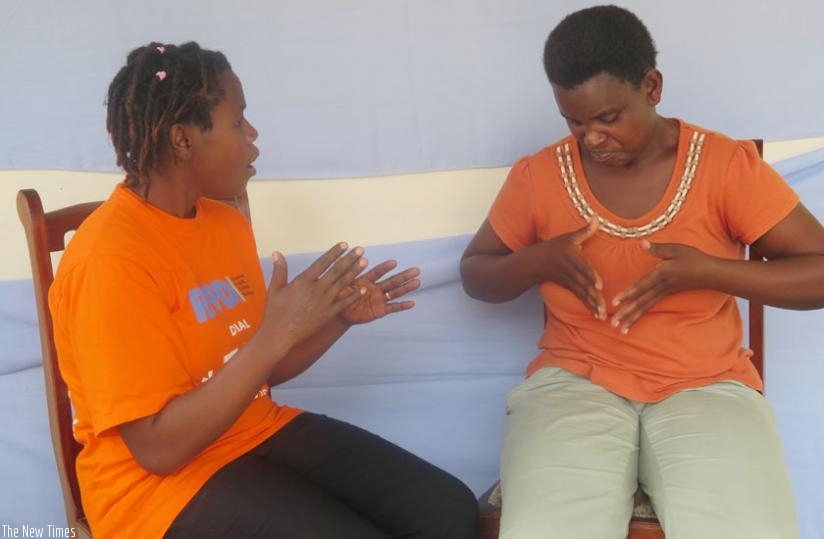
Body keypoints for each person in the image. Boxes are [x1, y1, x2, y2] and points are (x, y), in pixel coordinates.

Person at [49, 41, 478, 538]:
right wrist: (277, 331)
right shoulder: (109, 261)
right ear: (183, 140)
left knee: (447, 510)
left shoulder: (223, 222)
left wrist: (337, 318)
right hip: (151, 493)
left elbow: (256, 366)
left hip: (250, 431)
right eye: (238, 121)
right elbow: (157, 449)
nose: (253, 136)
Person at [460, 5, 824, 539]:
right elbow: (475, 273)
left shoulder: (723, 166)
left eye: (608, 118)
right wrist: (537, 260)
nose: (591, 138)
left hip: (708, 384)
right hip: (574, 382)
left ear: (651, 87)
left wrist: (710, 272)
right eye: (574, 121)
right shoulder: (539, 175)